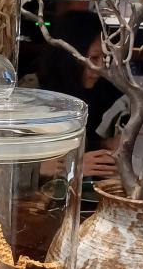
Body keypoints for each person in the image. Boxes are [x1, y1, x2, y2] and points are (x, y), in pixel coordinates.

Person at [37, 11, 123, 178]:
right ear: (68, 57)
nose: (100, 68)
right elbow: (14, 165)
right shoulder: (34, 96)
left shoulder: (85, 94)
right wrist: (71, 166)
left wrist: (103, 144)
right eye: (93, 58)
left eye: (105, 58)